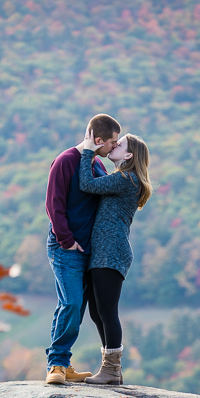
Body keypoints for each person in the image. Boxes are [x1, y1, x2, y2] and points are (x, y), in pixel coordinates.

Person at [44, 113, 121, 385]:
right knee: (72, 302)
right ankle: (56, 365)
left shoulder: (96, 163)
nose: (115, 146)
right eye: (112, 142)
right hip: (67, 247)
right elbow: (54, 205)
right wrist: (67, 240)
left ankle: (63, 363)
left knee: (72, 305)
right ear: (98, 140)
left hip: (90, 250)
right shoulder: (65, 161)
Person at [78, 130, 152, 385]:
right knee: (97, 312)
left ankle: (112, 370)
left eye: (119, 144)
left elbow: (86, 184)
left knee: (107, 311)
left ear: (129, 155)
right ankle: (111, 369)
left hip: (111, 252)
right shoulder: (122, 178)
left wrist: (87, 151)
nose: (114, 146)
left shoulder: (126, 179)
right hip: (103, 251)